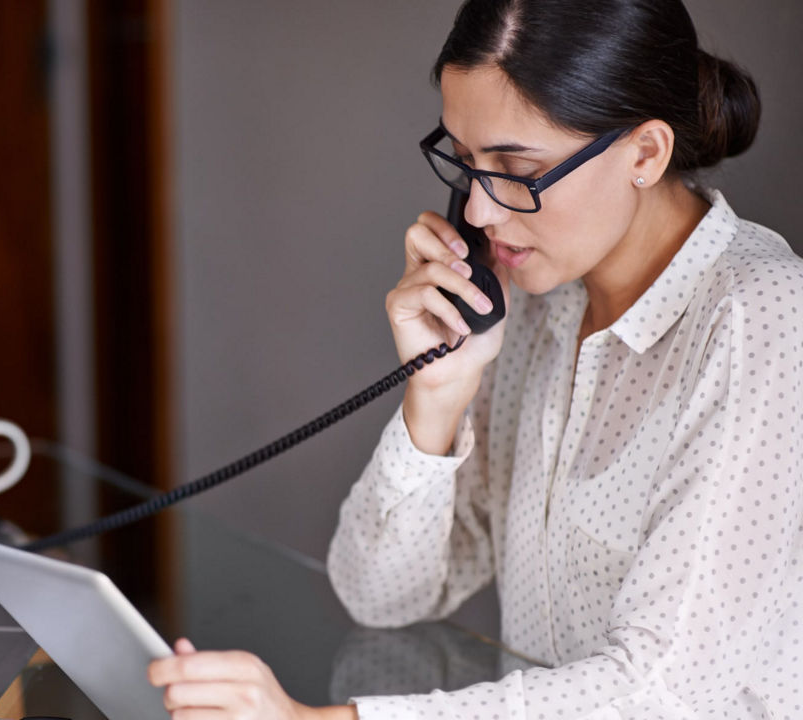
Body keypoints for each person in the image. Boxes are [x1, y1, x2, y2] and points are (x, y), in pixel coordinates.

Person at [148, 0, 803, 717]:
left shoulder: (761, 318)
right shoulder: (533, 302)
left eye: (515, 168)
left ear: (645, 153)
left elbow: (662, 688)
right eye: (465, 161)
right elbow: (381, 596)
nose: (482, 212)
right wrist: (435, 397)